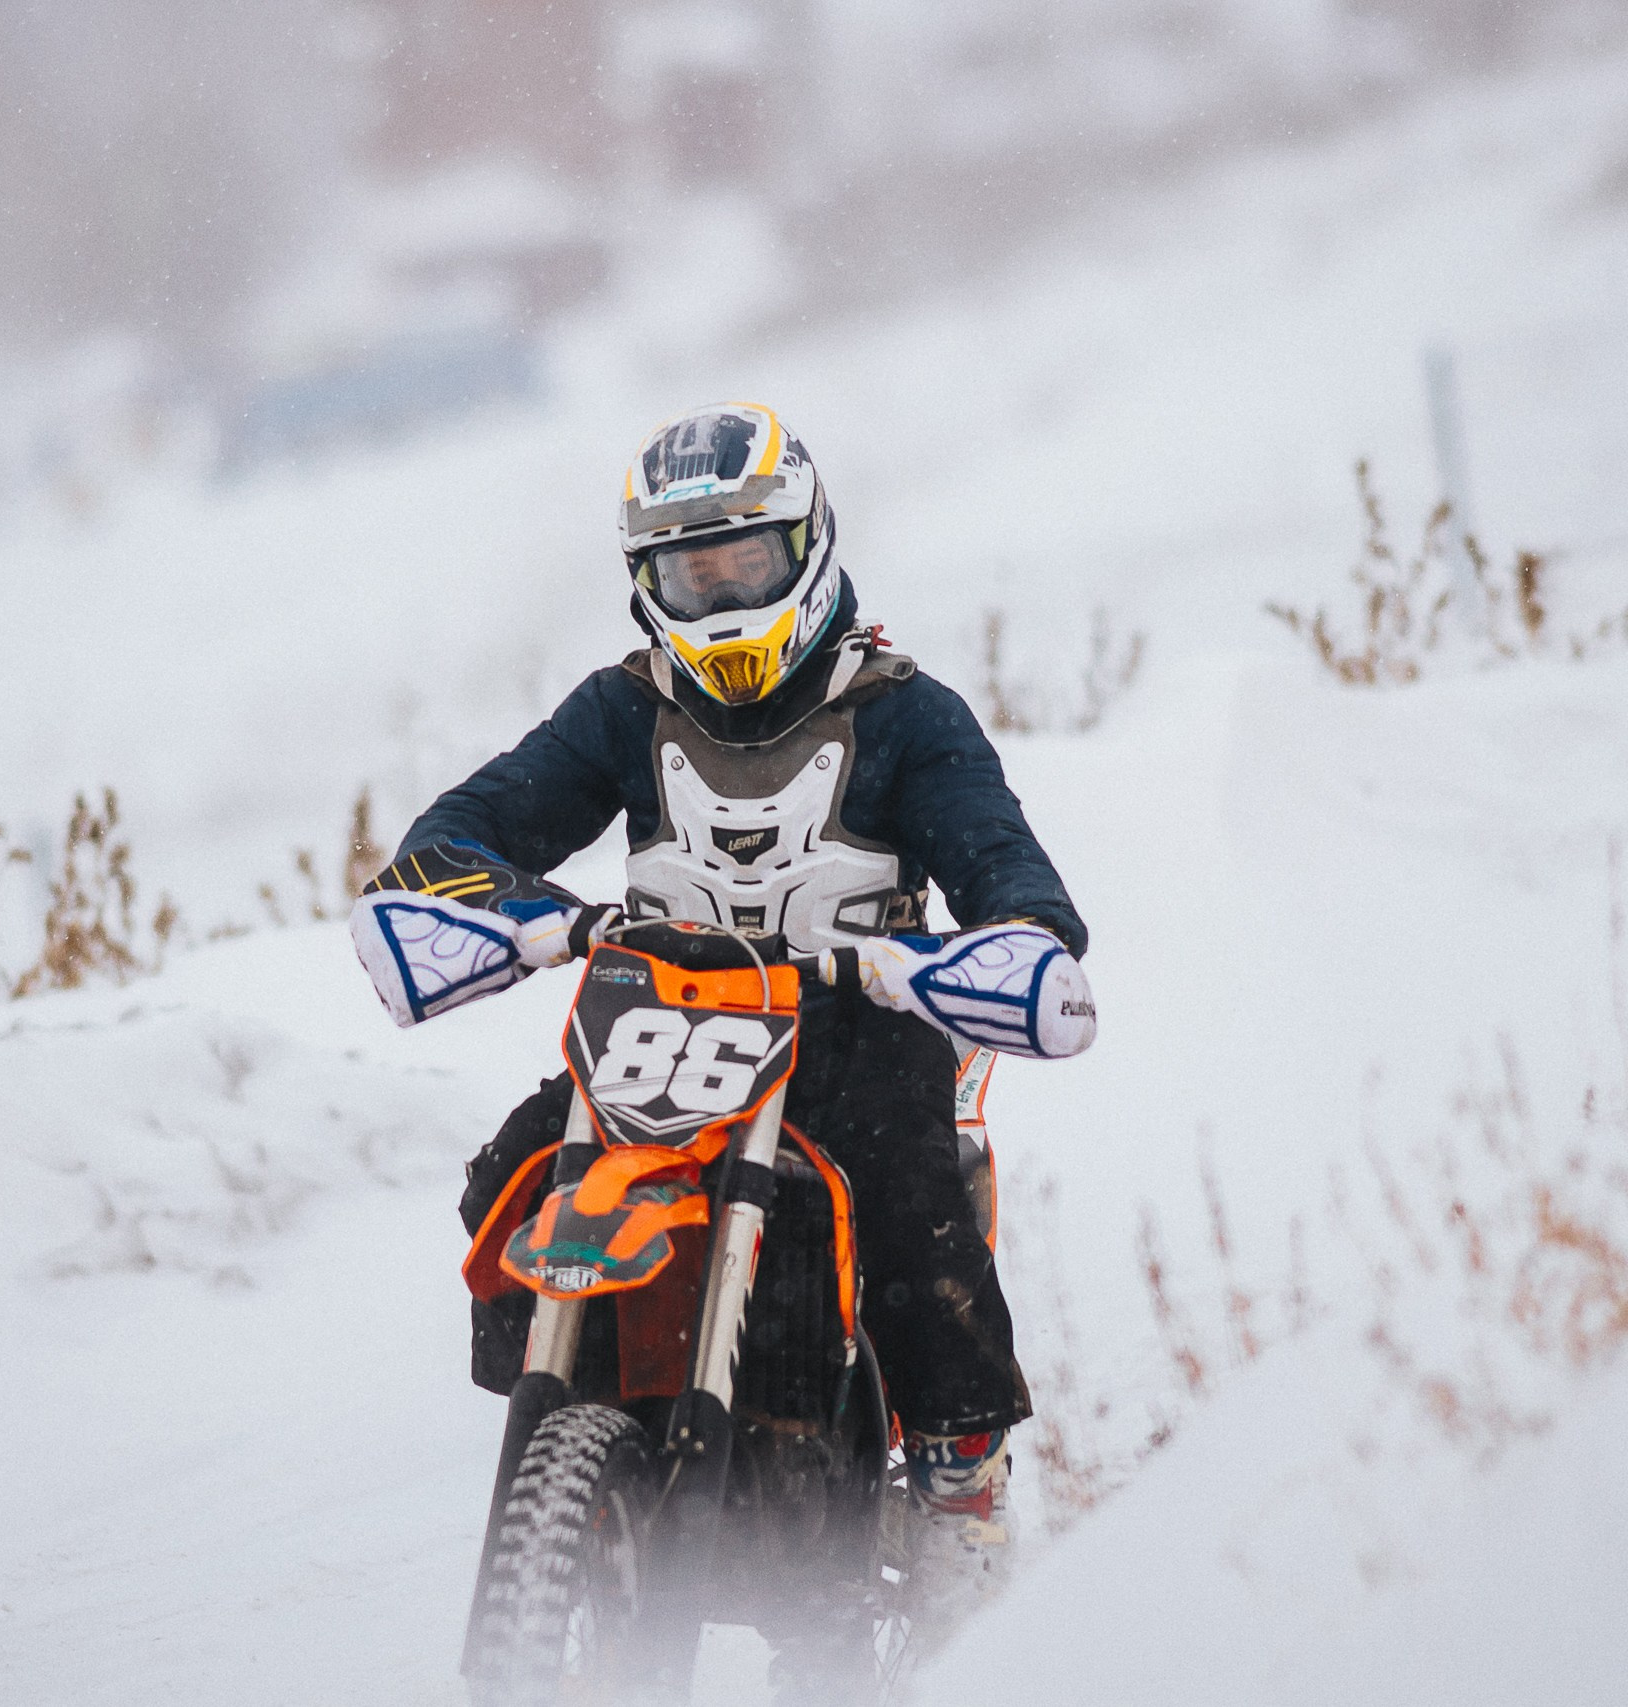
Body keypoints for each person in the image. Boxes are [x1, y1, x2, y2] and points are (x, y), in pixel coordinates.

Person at [346, 401, 1095, 1672]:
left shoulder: (906, 715)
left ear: (802, 546)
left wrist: (986, 950)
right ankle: (586, 1430)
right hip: (655, 1028)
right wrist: (510, 914)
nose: (719, 590)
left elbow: (1017, 886)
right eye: (691, 571)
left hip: (852, 1030)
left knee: (911, 1211)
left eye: (742, 560)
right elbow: (459, 836)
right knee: (509, 1174)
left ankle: (960, 1496)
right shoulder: (621, 710)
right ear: (648, 581)